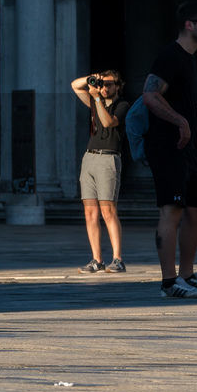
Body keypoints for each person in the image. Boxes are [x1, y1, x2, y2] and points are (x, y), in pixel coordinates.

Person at [142, 0, 197, 299]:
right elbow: (150, 96)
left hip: (187, 146)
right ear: (189, 25)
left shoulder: (189, 59)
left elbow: (181, 103)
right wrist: (180, 121)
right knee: (173, 210)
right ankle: (170, 283)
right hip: (167, 146)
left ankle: (188, 275)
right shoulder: (170, 56)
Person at [70, 70, 129, 274]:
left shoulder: (122, 105)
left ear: (118, 86)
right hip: (90, 157)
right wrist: (91, 80)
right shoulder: (96, 102)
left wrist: (96, 97)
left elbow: (108, 122)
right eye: (102, 84)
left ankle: (118, 259)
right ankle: (97, 260)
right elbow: (74, 86)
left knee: (108, 210)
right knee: (90, 212)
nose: (105, 88)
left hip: (108, 158)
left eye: (110, 84)